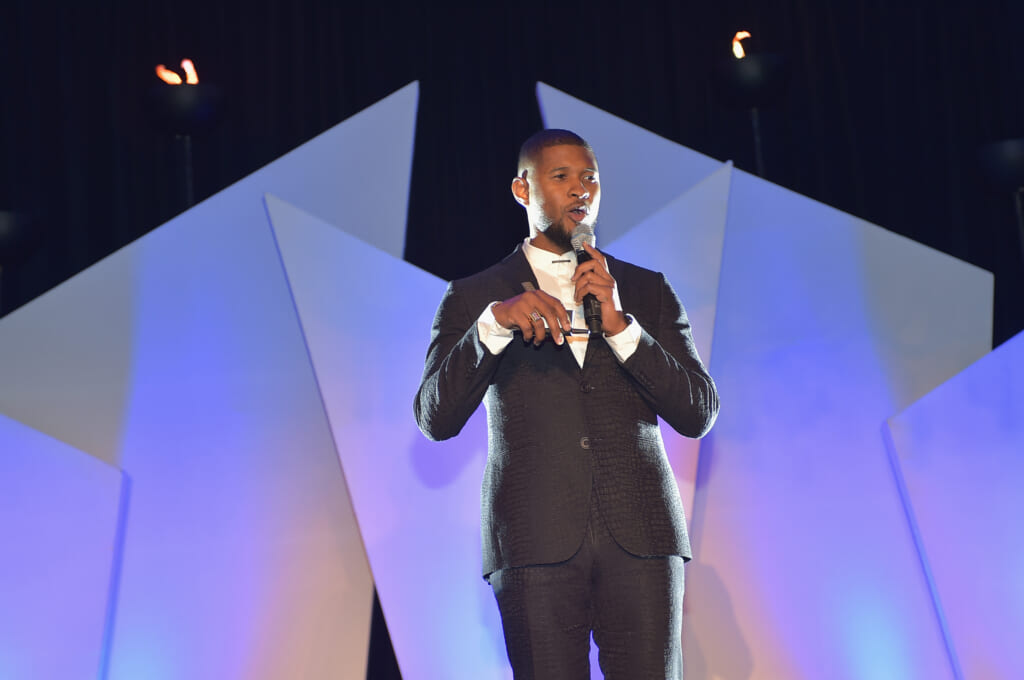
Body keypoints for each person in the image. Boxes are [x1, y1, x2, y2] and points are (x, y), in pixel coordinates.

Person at [414, 129, 718, 679]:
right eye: (561, 177)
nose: (581, 190)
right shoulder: (475, 296)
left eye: (590, 178)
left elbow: (698, 412)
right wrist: (492, 325)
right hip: (533, 537)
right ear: (522, 190)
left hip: (643, 536)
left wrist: (623, 327)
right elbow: (435, 417)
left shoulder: (645, 289)